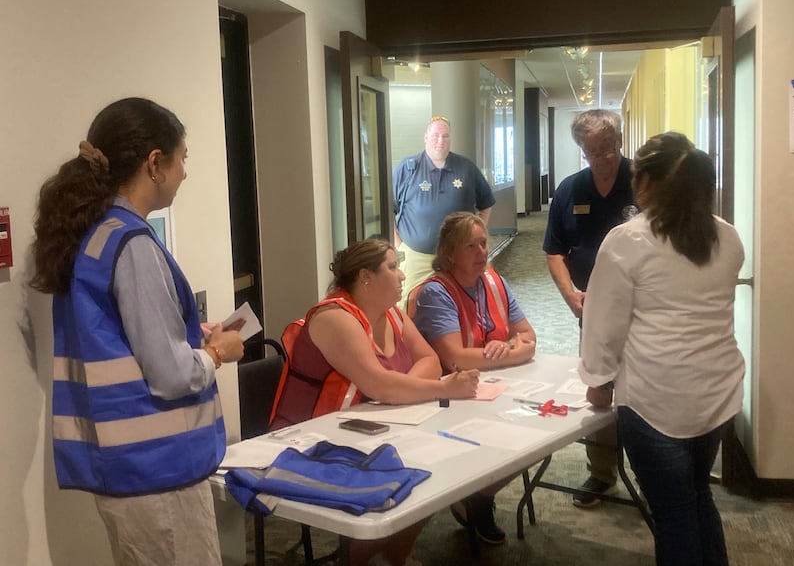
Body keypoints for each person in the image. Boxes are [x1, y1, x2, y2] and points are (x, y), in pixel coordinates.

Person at [30, 97, 245, 566]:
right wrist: (218, 351)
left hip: (124, 466)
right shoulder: (133, 243)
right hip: (160, 471)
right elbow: (170, 374)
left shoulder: (94, 233)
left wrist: (191, 333)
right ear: (155, 163)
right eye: (182, 157)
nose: (185, 171)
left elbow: (119, 340)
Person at [579, 132, 744, 565]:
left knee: (673, 515)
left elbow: (603, 327)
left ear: (649, 183)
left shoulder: (629, 241)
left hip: (658, 402)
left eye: (638, 177)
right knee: (697, 495)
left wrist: (598, 382)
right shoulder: (728, 238)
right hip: (718, 396)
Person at [270, 238, 479, 566]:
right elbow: (380, 385)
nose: (402, 276)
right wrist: (440, 389)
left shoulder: (392, 314)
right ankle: (363, 558)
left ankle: (394, 555)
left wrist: (405, 387)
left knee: (444, 469)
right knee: (416, 471)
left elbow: (430, 361)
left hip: (372, 424)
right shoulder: (334, 317)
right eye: (393, 267)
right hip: (312, 439)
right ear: (365, 277)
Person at [411, 211, 536, 544]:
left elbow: (529, 338)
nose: (482, 252)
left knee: (537, 436)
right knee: (512, 438)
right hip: (450, 399)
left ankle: (478, 495)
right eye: (471, 246)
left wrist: (506, 345)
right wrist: (512, 349)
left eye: (484, 243)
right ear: (450, 253)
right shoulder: (436, 293)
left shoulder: (495, 282)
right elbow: (454, 358)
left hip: (494, 388)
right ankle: (477, 496)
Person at [542, 109, 638, 507]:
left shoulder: (643, 181)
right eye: (591, 151)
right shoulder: (570, 189)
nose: (600, 158)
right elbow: (553, 250)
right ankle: (602, 474)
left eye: (607, 149)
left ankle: (652, 474)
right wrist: (570, 296)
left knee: (641, 388)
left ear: (619, 142)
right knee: (599, 385)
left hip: (642, 307)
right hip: (591, 308)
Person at [393, 116, 496, 307]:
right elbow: (389, 210)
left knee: (468, 302)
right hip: (417, 256)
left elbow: (486, 203)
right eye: (435, 136)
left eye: (445, 136)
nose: (440, 141)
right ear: (426, 137)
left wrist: (475, 238)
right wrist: (398, 244)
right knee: (408, 304)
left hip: (459, 256)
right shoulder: (407, 169)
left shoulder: (466, 168)